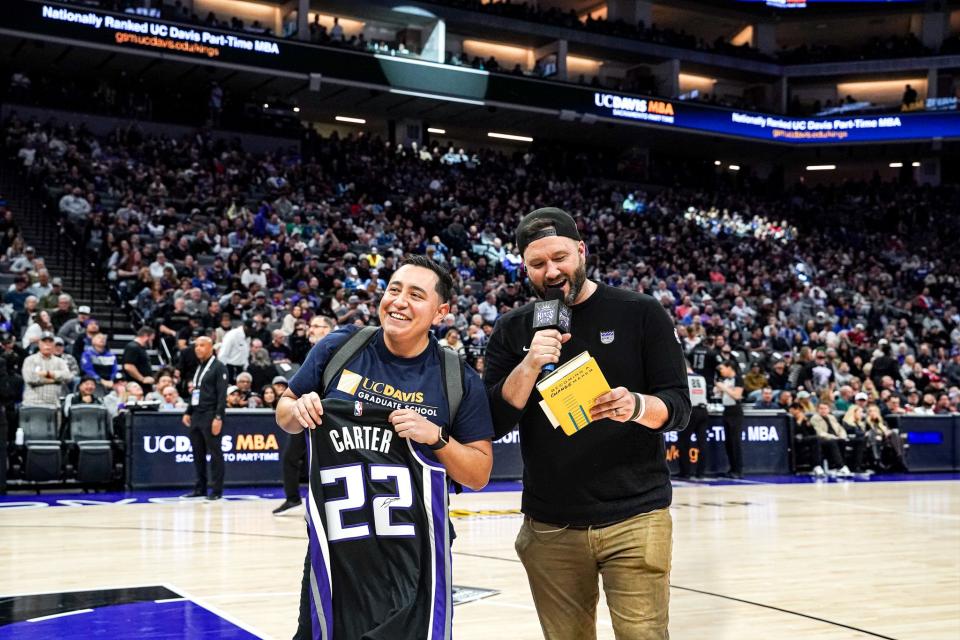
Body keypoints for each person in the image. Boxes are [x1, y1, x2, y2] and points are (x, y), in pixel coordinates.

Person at [483, 208, 690, 640]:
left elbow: (679, 406)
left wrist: (635, 405)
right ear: (525, 267)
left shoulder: (641, 312)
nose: (552, 271)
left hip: (636, 515)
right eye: (538, 264)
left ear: (581, 250)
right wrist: (530, 363)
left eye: (560, 257)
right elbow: (494, 420)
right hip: (550, 524)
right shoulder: (513, 329)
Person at [275, 255, 493, 639]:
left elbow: (478, 474)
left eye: (415, 294)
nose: (399, 301)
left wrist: (437, 438)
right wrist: (300, 408)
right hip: (337, 550)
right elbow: (284, 412)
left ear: (441, 311)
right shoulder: (340, 347)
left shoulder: (457, 376)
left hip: (414, 558)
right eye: (394, 289)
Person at [181, 336, 229, 500]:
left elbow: (222, 395)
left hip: (210, 415)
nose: (198, 349)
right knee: (197, 453)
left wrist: (218, 417)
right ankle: (200, 488)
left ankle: (216, 490)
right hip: (197, 415)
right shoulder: (199, 367)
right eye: (196, 346)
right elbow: (196, 391)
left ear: (211, 348)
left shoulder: (219, 367)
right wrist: (188, 411)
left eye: (202, 345)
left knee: (215, 454)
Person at [21, 332, 72, 408]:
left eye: (50, 342)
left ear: (53, 345)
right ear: (39, 344)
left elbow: (68, 376)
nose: (47, 344)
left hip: (53, 404)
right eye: (44, 341)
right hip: (32, 403)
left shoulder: (60, 361)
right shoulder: (30, 360)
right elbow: (31, 379)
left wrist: (45, 373)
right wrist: (56, 380)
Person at [715, 359, 744, 479]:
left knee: (735, 441)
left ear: (729, 367)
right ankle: (732, 468)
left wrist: (724, 388)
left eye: (722, 368)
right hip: (726, 410)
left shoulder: (738, 379)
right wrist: (718, 391)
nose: (721, 371)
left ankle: (738, 469)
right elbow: (722, 395)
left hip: (735, 411)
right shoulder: (725, 380)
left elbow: (737, 395)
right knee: (728, 442)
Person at [678, 365, 709, 479]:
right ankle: (701, 473)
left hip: (691, 411)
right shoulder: (701, 377)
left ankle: (685, 472)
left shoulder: (684, 378)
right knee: (702, 443)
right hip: (703, 411)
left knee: (684, 442)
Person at [809, 402, 855, 476]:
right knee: (832, 442)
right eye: (821, 408)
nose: (823, 410)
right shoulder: (815, 418)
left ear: (828, 410)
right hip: (823, 439)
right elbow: (819, 432)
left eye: (825, 408)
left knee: (842, 441)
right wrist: (833, 437)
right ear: (817, 409)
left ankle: (840, 466)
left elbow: (840, 428)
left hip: (835, 438)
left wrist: (842, 436)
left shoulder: (831, 417)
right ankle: (840, 466)